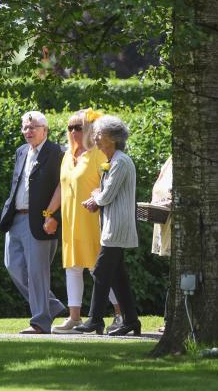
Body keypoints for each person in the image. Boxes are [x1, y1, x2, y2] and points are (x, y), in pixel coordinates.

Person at [52, 108, 120, 333]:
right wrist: (48, 214)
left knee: (97, 268)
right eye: (70, 128)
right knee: (72, 267)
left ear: (89, 129)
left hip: (92, 220)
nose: (73, 132)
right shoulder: (67, 156)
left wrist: (97, 196)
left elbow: (109, 183)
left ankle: (120, 314)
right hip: (70, 221)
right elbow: (62, 188)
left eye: (78, 127)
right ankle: (74, 318)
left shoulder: (97, 155)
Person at [0, 111, 66, 334]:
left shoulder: (57, 152)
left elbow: (65, 188)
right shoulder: (21, 151)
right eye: (25, 127)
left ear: (45, 130)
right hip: (16, 218)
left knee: (38, 272)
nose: (28, 131)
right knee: (13, 266)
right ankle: (51, 306)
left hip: (41, 220)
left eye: (33, 127)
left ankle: (40, 322)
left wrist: (54, 218)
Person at [75, 115, 141, 336]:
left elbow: (107, 195)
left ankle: (95, 320)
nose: (95, 137)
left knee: (101, 271)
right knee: (117, 275)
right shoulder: (115, 161)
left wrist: (95, 197)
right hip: (113, 224)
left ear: (112, 137)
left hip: (117, 226)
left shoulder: (120, 161)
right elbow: (106, 195)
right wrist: (98, 197)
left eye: (99, 134)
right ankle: (131, 320)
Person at [150, 155, 172, 333]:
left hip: (174, 222)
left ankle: (170, 319)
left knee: (176, 274)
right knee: (174, 273)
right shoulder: (171, 160)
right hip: (165, 219)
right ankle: (170, 319)